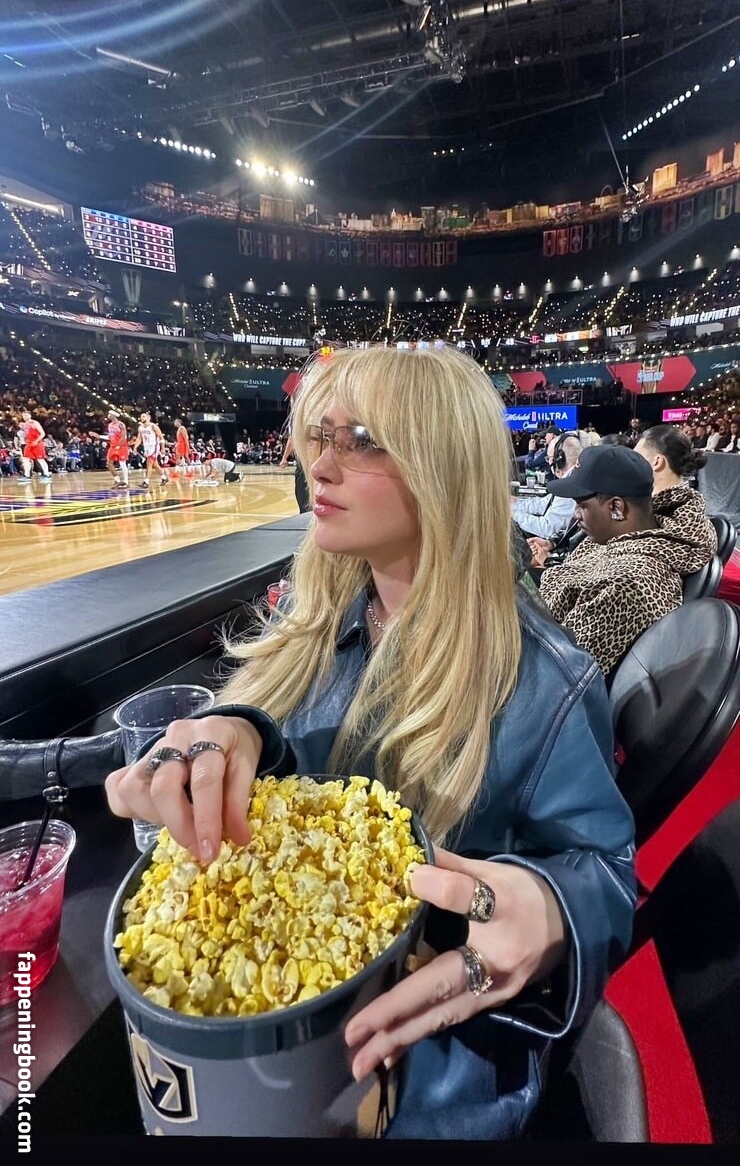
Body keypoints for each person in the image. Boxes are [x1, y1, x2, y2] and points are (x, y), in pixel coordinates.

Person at [106, 344, 636, 1142]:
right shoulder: (314, 617)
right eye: (319, 436)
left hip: (431, 1072)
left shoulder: (546, 682)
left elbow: (608, 872)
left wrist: (557, 912)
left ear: (443, 468)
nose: (320, 466)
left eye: (363, 441)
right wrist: (245, 732)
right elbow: (327, 802)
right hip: (270, 1050)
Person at [537, 444, 716, 677]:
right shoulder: (618, 539)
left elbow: (560, 674)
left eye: (582, 505)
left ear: (616, 507)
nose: (575, 515)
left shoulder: (626, 587)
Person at [634, 426, 716, 543]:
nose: (631, 463)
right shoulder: (688, 505)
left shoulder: (675, 521)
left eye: (637, 458)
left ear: (657, 462)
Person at [511, 432, 580, 541]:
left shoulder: (570, 487)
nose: (549, 462)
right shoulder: (570, 479)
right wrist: (515, 502)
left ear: (560, 460)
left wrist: (513, 514)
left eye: (550, 458)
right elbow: (543, 504)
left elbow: (547, 529)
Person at [89, 409, 130, 487]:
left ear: (114, 415)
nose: (108, 415)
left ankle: (126, 482)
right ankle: (117, 480)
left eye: (109, 414)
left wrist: (119, 445)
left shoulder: (121, 424)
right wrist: (99, 436)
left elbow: (124, 437)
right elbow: (110, 437)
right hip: (113, 446)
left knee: (122, 464)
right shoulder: (110, 425)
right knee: (109, 463)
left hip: (121, 446)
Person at [132, 412, 169, 489]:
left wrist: (162, 448)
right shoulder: (140, 427)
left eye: (143, 416)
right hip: (146, 447)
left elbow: (161, 438)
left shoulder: (153, 426)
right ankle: (164, 478)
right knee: (155, 464)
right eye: (141, 416)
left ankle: (146, 482)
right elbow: (139, 438)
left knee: (149, 462)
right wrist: (135, 447)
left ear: (148, 418)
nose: (141, 418)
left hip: (154, 446)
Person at [278, 432, 311, 513]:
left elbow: (293, 439)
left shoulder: (300, 424)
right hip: (321, 461)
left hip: (306, 462)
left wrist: (284, 458)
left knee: (303, 497)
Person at [17, 409, 52, 484]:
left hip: (37, 443)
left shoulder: (35, 423)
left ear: (30, 415)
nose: (24, 417)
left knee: (40, 459)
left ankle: (46, 474)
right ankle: (27, 475)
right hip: (29, 443)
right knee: (26, 459)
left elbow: (42, 433)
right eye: (23, 416)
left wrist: (36, 441)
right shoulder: (24, 424)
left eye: (26, 415)